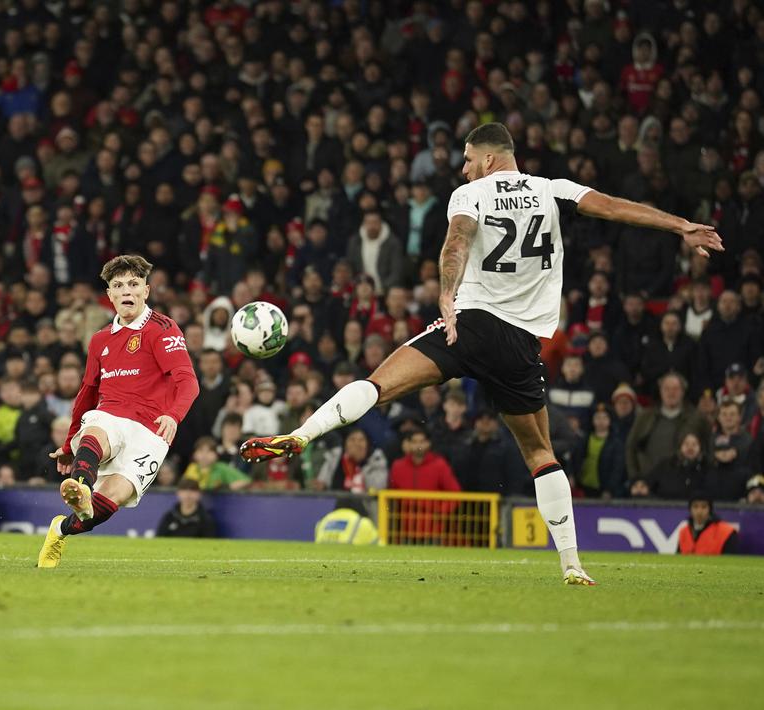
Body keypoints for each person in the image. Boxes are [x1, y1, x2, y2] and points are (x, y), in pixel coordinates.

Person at [242, 122, 723, 585]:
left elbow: (458, 240)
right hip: (520, 345)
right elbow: (614, 207)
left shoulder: (470, 194)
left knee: (378, 384)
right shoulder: (553, 190)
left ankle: (303, 435)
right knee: (540, 453)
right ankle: (572, 565)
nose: (464, 169)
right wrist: (680, 226)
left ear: (490, 158)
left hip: (468, 326)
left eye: (469, 159)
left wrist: (445, 293)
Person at [37, 254, 199, 568]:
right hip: (111, 415)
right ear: (109, 295)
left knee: (109, 502)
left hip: (151, 431)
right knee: (98, 430)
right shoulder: (99, 340)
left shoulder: (163, 329)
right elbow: (86, 394)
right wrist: (69, 444)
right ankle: (81, 487)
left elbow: (188, 381)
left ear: (146, 291)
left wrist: (173, 415)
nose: (127, 291)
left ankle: (60, 529)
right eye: (119, 285)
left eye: (134, 284)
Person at [183, 436, 250, 490]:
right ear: (194, 454)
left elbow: (246, 481)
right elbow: (184, 488)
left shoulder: (221, 468)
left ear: (216, 455)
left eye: (209, 451)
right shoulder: (191, 468)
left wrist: (227, 487)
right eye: (201, 450)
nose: (204, 455)